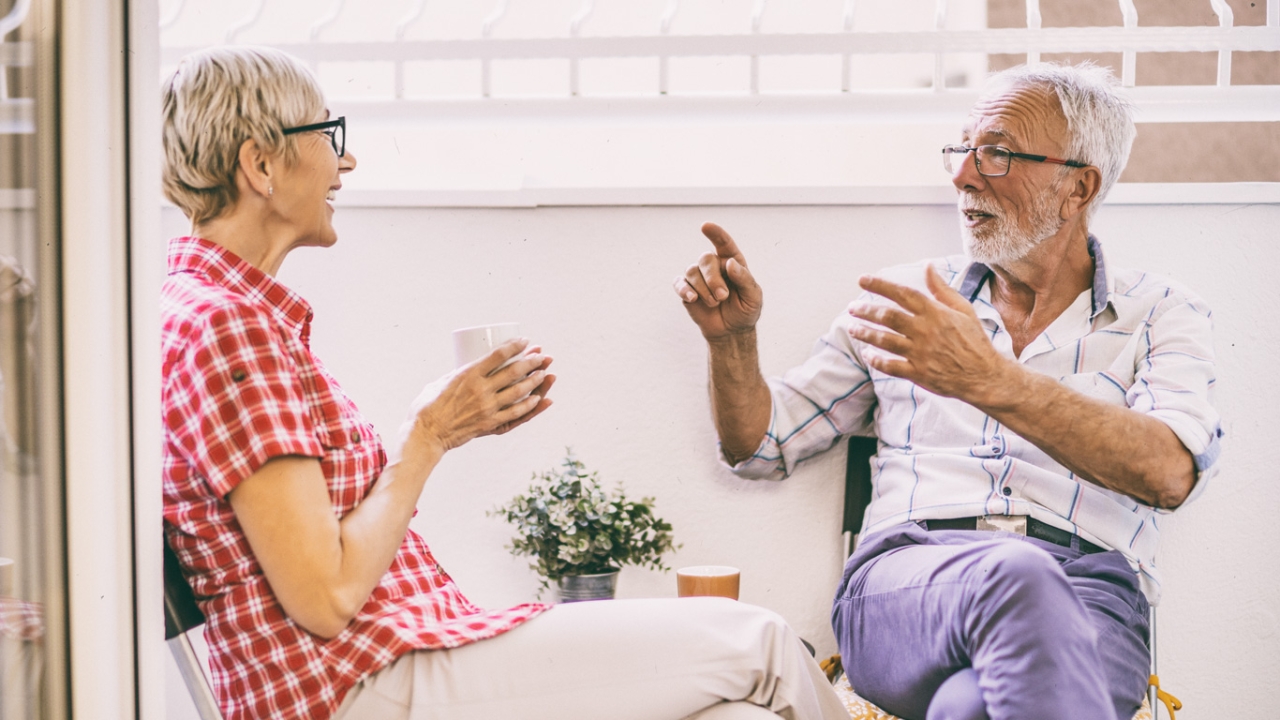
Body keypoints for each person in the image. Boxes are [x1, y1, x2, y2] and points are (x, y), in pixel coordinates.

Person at [161, 46, 846, 720]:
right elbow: (325, 596)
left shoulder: (210, 310)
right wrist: (428, 435)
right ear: (260, 164)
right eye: (327, 133)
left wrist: (448, 428)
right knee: (764, 644)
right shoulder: (228, 326)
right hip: (358, 682)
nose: (346, 160)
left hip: (391, 661)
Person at [674, 62, 1221, 720]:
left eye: (995, 153)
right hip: (908, 585)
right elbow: (760, 445)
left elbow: (1167, 471)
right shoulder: (902, 303)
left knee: (970, 707)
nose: (963, 174)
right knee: (1014, 576)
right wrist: (732, 343)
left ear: (1078, 187)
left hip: (1088, 591)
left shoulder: (1163, 311)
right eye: (961, 150)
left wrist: (991, 382)